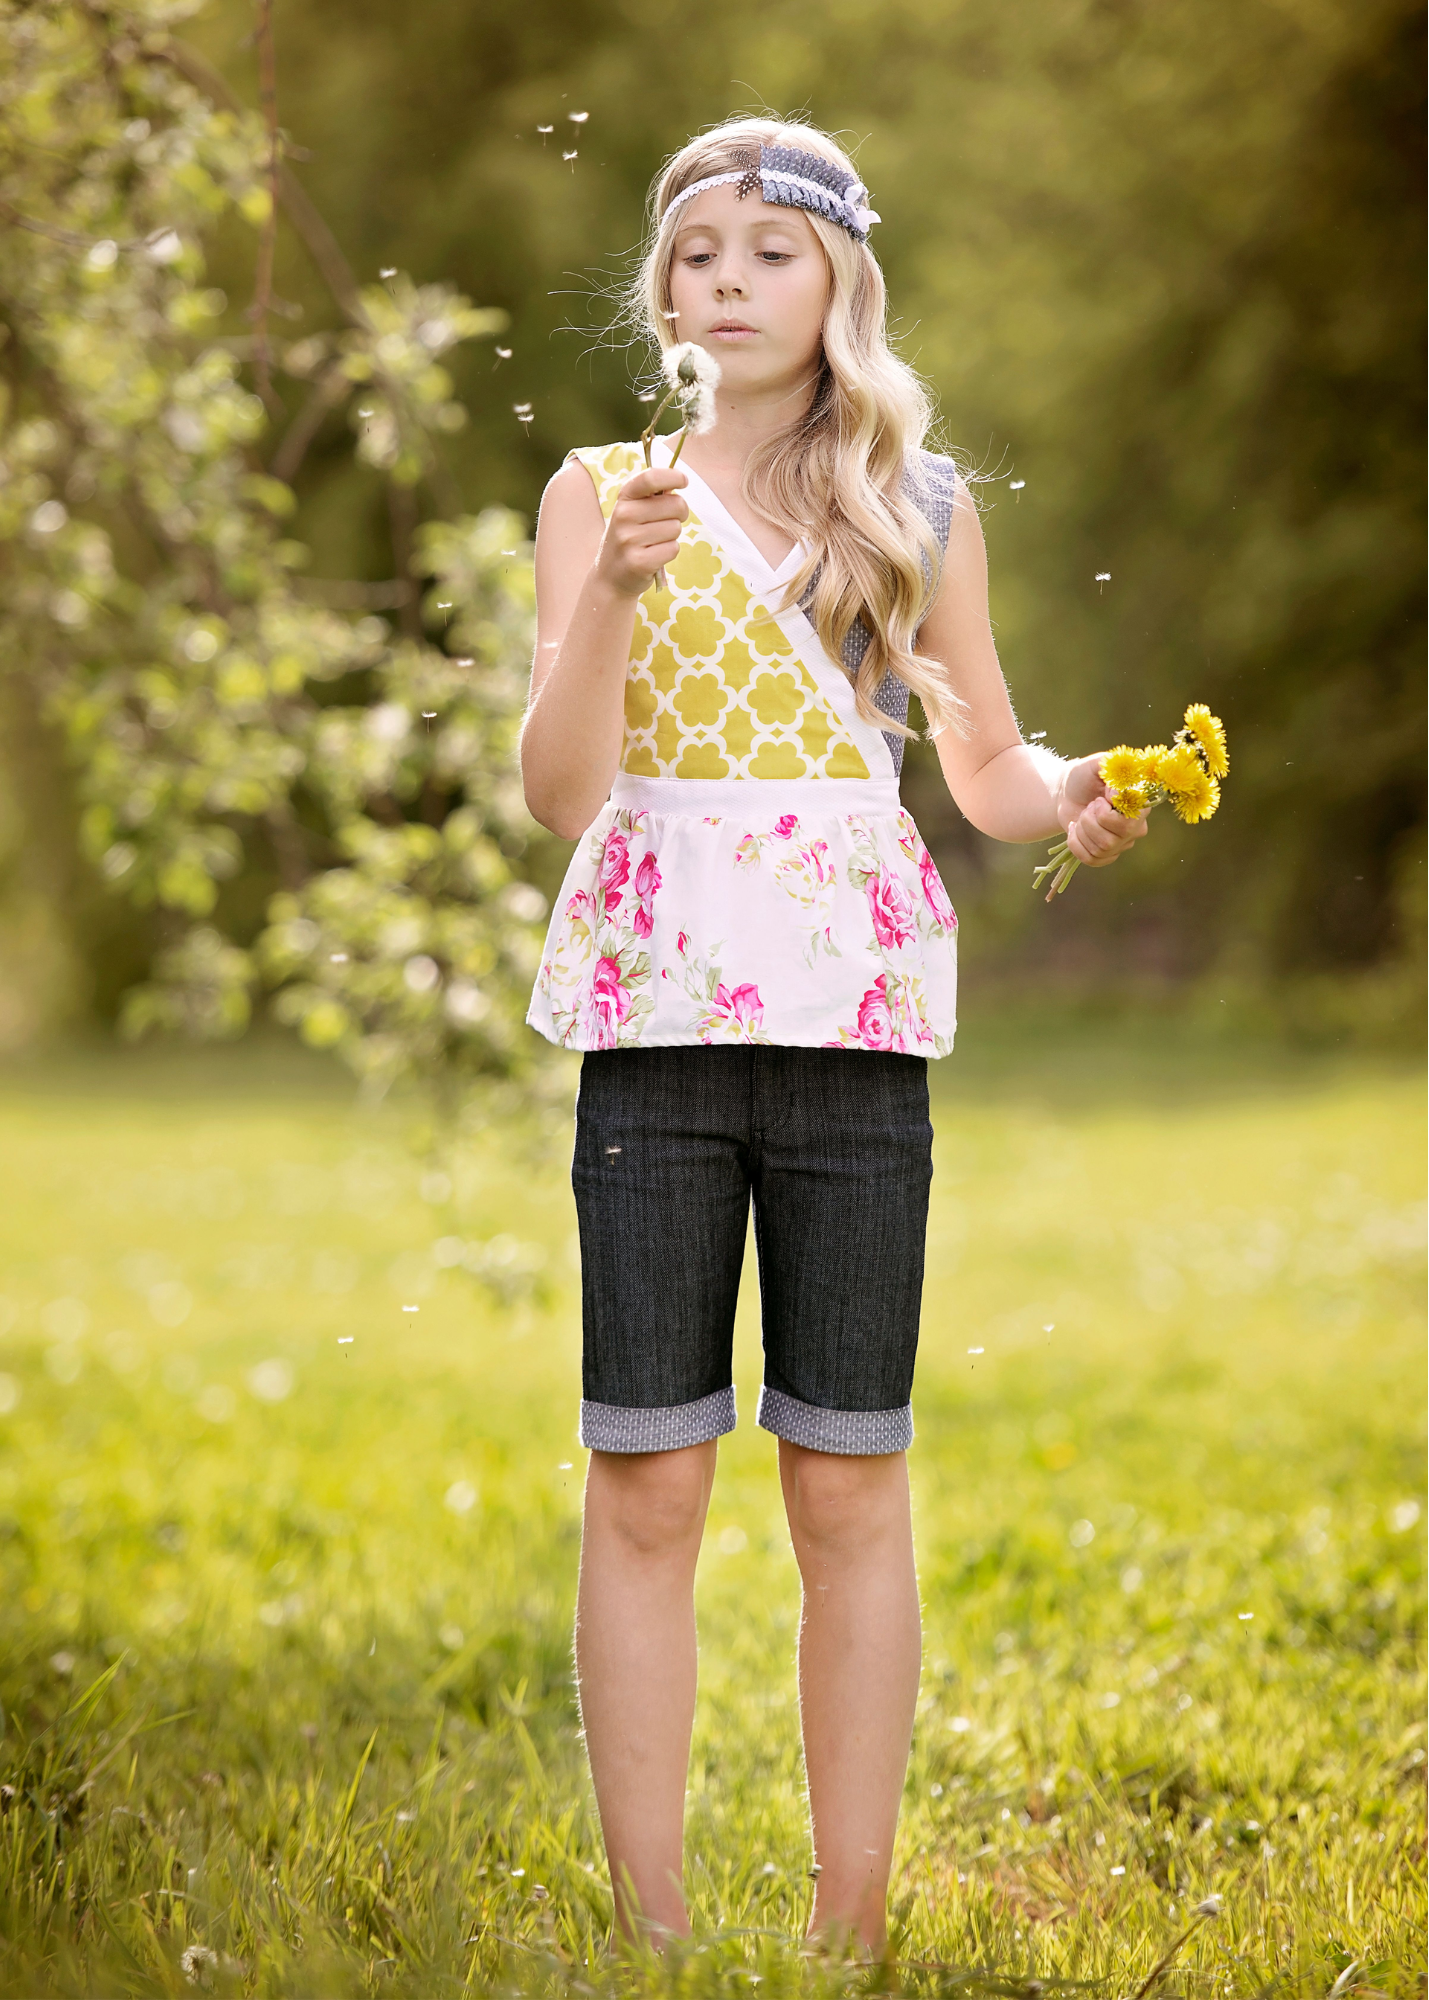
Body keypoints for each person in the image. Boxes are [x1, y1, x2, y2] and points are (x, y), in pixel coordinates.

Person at [519, 117, 1147, 1956]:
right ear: (664, 287)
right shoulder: (600, 492)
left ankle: (847, 1933)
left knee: (847, 1475)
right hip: (655, 1024)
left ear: (840, 282)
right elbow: (563, 795)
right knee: (645, 1475)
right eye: (695, 249)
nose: (727, 277)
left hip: (852, 1033)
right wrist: (618, 597)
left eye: (768, 250)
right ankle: (652, 1933)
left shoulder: (916, 504)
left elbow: (984, 768)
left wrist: (1080, 791)